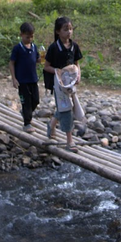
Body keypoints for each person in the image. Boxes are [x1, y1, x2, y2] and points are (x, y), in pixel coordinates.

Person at [43, 16, 83, 152]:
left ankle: (52, 124)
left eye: (71, 29)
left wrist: (78, 75)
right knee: (66, 109)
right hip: (59, 84)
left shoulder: (74, 46)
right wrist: (58, 72)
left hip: (70, 83)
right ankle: (69, 141)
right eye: (66, 29)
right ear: (57, 32)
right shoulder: (54, 48)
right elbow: (46, 66)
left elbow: (77, 63)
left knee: (65, 106)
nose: (69, 32)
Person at [9, 22, 41, 133]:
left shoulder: (34, 47)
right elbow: (12, 63)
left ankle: (26, 113)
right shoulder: (18, 49)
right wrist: (14, 78)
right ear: (21, 35)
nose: (30, 39)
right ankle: (27, 123)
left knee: (35, 100)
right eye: (28, 37)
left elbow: (37, 59)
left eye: (32, 36)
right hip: (22, 80)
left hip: (33, 79)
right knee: (26, 101)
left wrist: (41, 59)